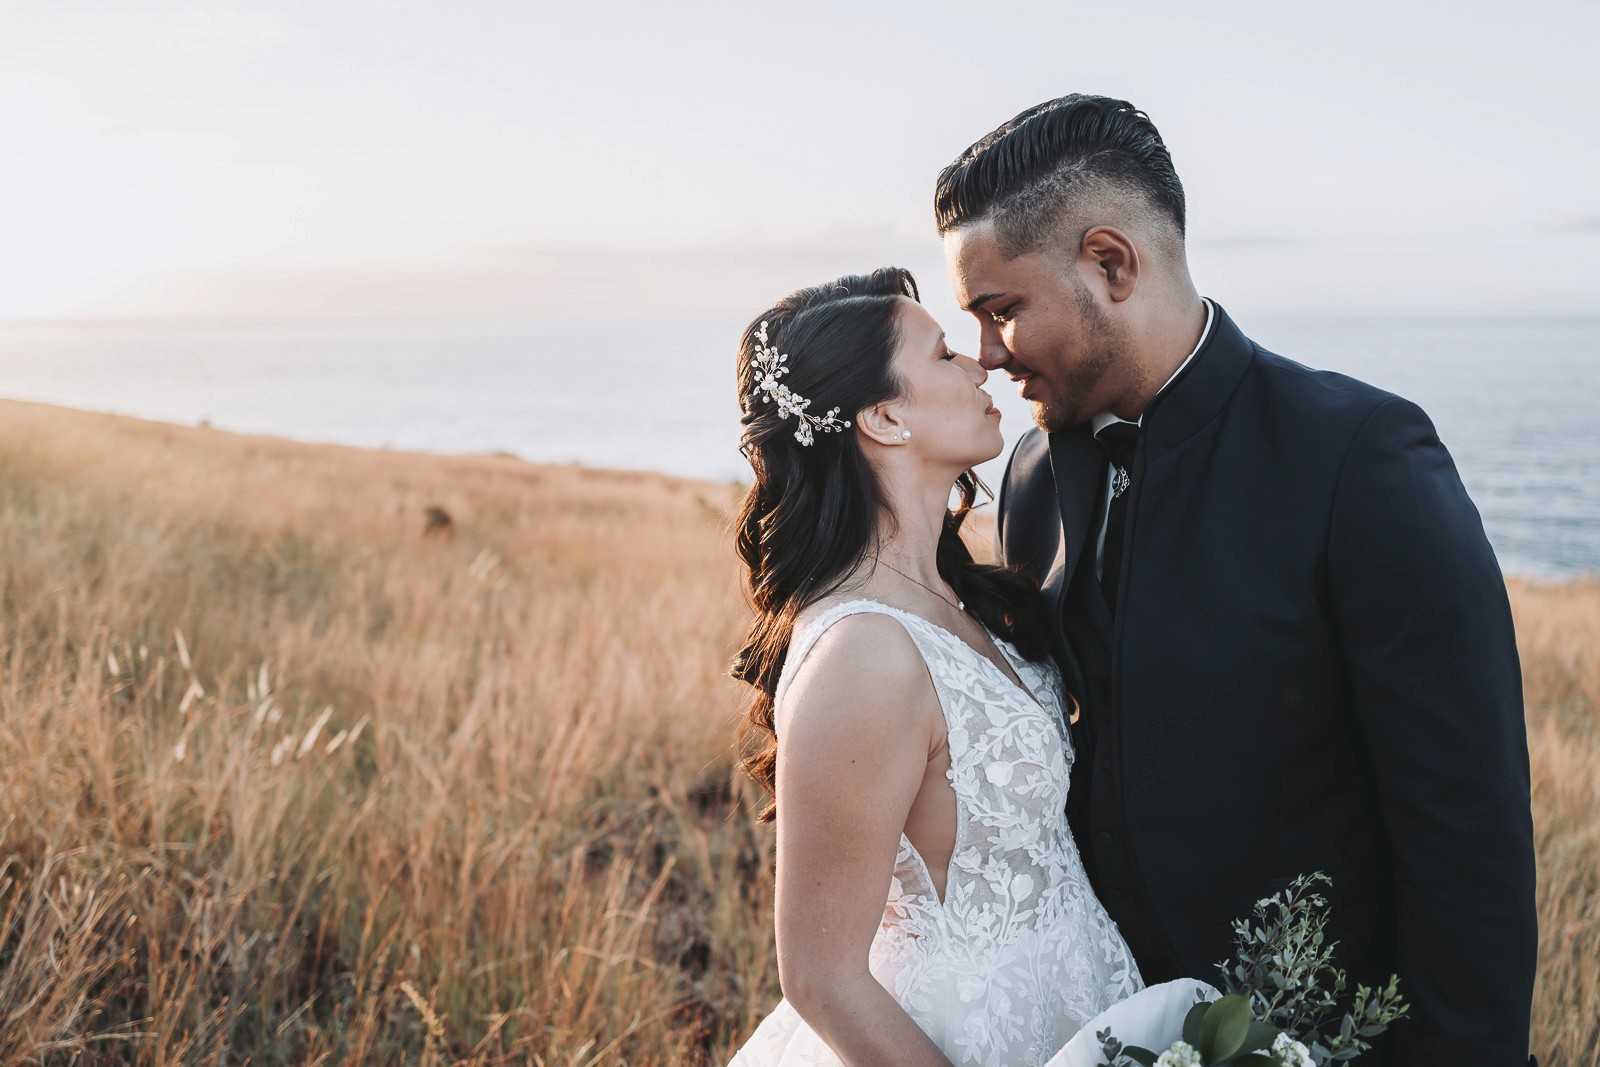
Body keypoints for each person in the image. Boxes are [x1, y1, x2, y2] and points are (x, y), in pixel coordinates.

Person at [935, 94, 1538, 1065]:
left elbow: (1467, 840)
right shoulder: (1033, 474)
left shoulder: (1359, 460)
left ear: (1110, 263)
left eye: (1002, 311)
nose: (989, 353)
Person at [725, 268, 1192, 1066]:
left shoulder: (955, 592)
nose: (981, 364)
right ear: (884, 417)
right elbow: (822, 976)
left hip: (1076, 1005)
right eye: (943, 353)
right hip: (959, 1036)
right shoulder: (861, 655)